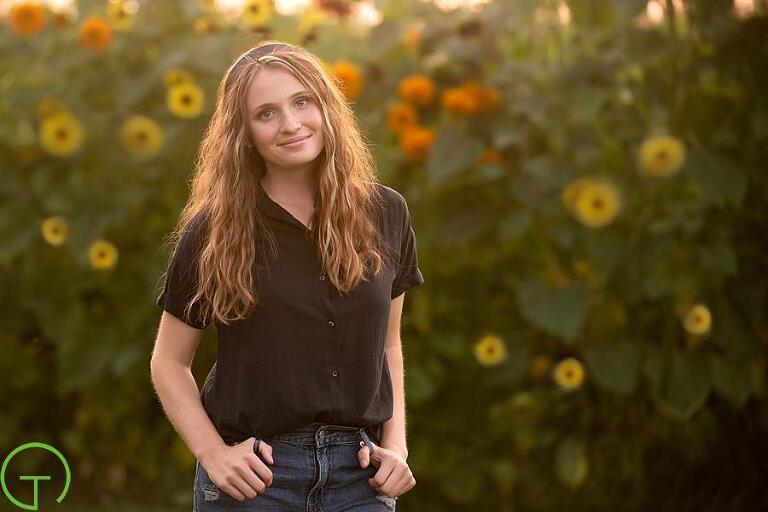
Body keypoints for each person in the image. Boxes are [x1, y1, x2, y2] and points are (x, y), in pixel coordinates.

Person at [149, 40, 424, 511]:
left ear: (326, 107)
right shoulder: (216, 231)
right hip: (257, 481)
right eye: (267, 113)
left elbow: (388, 345)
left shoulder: (385, 213)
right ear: (244, 132)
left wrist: (396, 445)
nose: (292, 124)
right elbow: (169, 363)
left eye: (302, 102)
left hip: (361, 479)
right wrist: (213, 454)